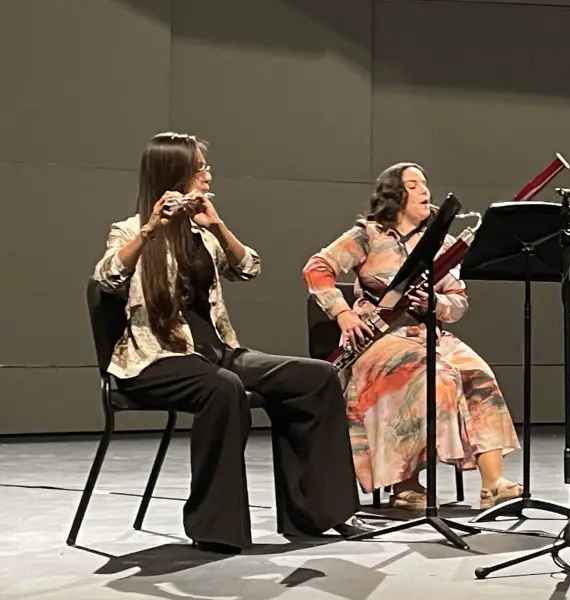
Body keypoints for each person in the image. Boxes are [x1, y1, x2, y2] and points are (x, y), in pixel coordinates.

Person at [92, 132, 367, 553]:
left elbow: (248, 268)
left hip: (219, 352)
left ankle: (320, 512)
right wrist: (150, 230)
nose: (208, 174)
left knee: (317, 377)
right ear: (175, 173)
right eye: (200, 167)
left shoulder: (202, 234)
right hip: (154, 360)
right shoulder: (129, 230)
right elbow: (107, 277)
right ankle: (214, 526)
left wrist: (217, 225)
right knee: (223, 388)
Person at [302, 162, 522, 511]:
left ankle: (493, 483)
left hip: (427, 333)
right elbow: (317, 268)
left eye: (425, 184)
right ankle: (405, 483)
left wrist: (437, 303)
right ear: (395, 195)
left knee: (477, 373)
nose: (425, 191)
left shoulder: (443, 244)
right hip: (379, 339)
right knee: (433, 377)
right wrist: (342, 313)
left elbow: (459, 301)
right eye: (414, 185)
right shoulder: (368, 235)